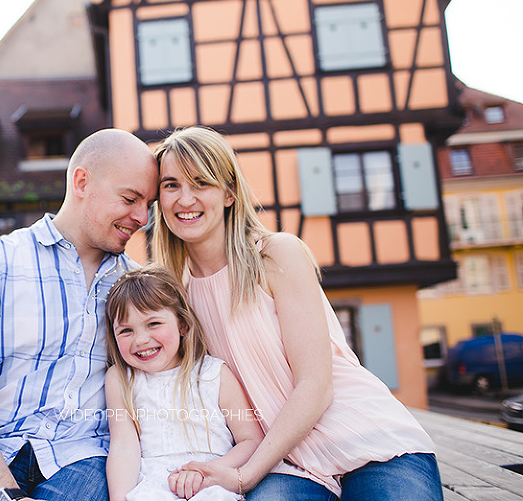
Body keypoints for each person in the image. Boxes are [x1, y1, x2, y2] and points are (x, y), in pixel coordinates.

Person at [152, 126, 443, 500]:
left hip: (364, 439)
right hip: (283, 464)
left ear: (228, 194)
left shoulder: (275, 255)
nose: (185, 198)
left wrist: (245, 476)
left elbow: (315, 386)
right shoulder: (176, 295)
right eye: (171, 185)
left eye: (200, 183)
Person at [0, 128, 158, 501]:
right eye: (130, 199)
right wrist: (5, 497)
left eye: (149, 204)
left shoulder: (136, 285)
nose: (142, 217)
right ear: (82, 181)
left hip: (84, 456)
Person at [103, 265, 264, 501]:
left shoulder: (214, 373)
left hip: (212, 482)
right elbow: (123, 446)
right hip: (153, 486)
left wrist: (207, 471)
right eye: (126, 330)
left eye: (153, 324)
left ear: (182, 325)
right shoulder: (121, 378)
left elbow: (251, 440)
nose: (141, 339)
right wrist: (119, 498)